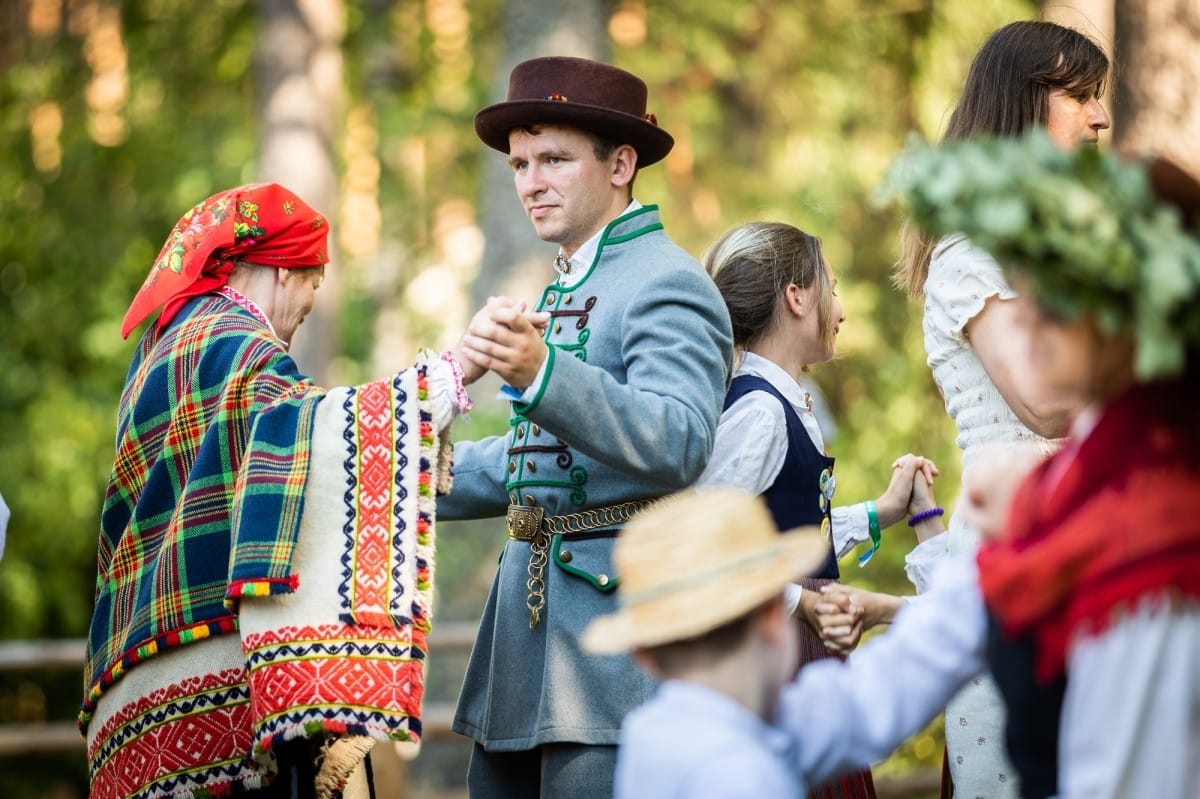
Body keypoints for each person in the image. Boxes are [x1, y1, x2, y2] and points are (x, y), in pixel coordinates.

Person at [81, 183, 484, 799]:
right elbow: (315, 447)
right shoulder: (239, 346)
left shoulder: (164, 344)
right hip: (209, 686)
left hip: (131, 689)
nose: (308, 309)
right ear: (280, 271)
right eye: (313, 286)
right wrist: (451, 374)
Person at [445, 55, 734, 797]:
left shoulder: (668, 279)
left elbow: (681, 439)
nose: (530, 182)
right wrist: (398, 471)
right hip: (524, 636)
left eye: (554, 159)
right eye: (519, 164)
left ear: (621, 164)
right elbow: (538, 460)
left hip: (614, 655)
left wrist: (541, 373)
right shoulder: (572, 278)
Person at [883, 129, 1200, 798]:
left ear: (1125, 317)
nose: (1022, 317)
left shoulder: (1156, 536)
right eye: (1020, 286)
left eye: (1055, 298)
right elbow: (943, 640)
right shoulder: (1066, 481)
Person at [890, 20, 1111, 796]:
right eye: (1079, 95)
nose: (1099, 118)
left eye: (1100, 98)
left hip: (1095, 541)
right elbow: (1047, 403)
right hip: (1018, 551)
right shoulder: (969, 250)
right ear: (1020, 105)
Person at [695, 221, 941, 797]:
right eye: (831, 286)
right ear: (797, 296)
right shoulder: (758, 413)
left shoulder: (783, 403)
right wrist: (798, 600)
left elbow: (792, 528)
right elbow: (704, 550)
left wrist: (881, 511)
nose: (843, 309)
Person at [582, 486, 981, 799]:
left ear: (644, 654)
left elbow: (855, 704)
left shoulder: (651, 733)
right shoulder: (742, 773)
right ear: (776, 616)